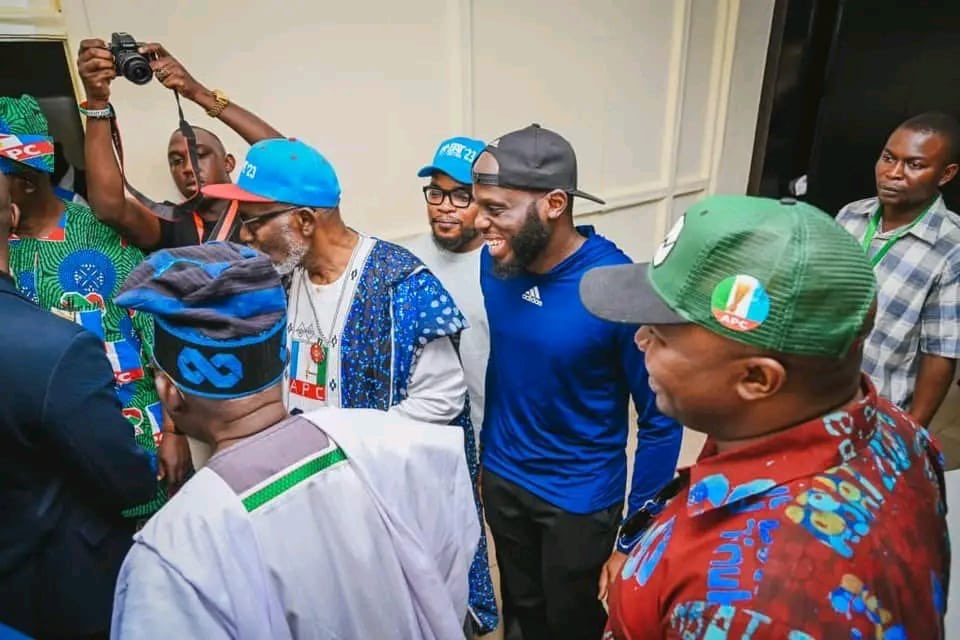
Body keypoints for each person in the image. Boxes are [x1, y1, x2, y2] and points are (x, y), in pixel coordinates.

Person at [581, 194, 949, 638]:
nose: (639, 341)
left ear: (757, 379)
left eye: (659, 335)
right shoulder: (896, 429)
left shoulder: (757, 605)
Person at [201, 137, 499, 634]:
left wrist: (346, 451)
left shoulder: (401, 284)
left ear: (303, 222)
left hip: (384, 506)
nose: (247, 238)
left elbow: (442, 400)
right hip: (313, 497)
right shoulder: (282, 278)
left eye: (255, 223)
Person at [110, 242, 481, 639]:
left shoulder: (175, 550)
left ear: (169, 392)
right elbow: (447, 576)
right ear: (284, 358)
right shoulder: (394, 444)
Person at [470, 123, 682, 640]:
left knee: (570, 625)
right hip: (503, 478)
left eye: (496, 209)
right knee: (520, 609)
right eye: (479, 205)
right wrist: (488, 465)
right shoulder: (495, 264)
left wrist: (636, 536)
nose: (478, 223)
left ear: (555, 204)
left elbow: (661, 421)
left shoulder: (617, 289)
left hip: (577, 499)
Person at [0, 94, 187, 514]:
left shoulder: (102, 235)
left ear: (26, 182)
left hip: (137, 447)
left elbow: (160, 331)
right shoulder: (2, 248)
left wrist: (174, 431)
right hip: (44, 470)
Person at [0, 171, 156, 639]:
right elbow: (126, 485)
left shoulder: (109, 247)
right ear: (11, 217)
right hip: (59, 591)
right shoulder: (54, 349)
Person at [76, 39, 282, 250]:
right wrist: (96, 101)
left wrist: (198, 93)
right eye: (176, 161)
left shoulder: (262, 209)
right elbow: (109, 208)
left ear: (228, 162)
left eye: (199, 155)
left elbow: (288, 157)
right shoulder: (171, 222)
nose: (187, 168)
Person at [836, 112, 960, 427]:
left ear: (946, 175)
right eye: (888, 158)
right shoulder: (851, 215)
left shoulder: (952, 249)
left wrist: (912, 433)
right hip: (814, 392)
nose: (893, 173)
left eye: (914, 165)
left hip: (876, 408)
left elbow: (941, 353)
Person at [400, 136, 489, 434]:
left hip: (486, 438)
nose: (444, 207)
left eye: (461, 196)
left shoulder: (503, 267)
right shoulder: (408, 262)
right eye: (436, 193)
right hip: (422, 432)